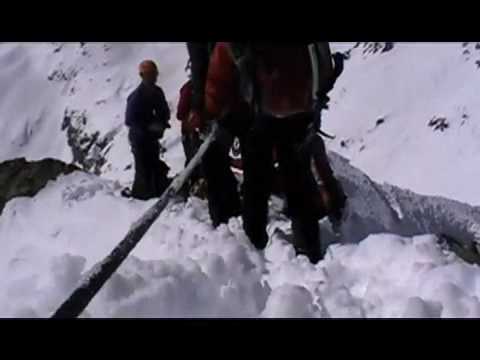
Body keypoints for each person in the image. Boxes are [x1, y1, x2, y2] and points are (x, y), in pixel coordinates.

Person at [204, 42, 346, 264]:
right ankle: (308, 251)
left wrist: (216, 113)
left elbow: (218, 80)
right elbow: (323, 66)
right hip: (300, 115)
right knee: (299, 183)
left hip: (258, 120)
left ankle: (253, 251)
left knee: (256, 186)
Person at [184, 42, 251, 227]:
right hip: (254, 102)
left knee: (212, 160)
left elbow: (200, 69)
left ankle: (225, 220)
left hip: (223, 106)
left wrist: (200, 108)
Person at [124, 60, 171, 200]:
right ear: (142, 75)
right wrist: (150, 126)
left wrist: (160, 123)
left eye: (154, 74)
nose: (153, 77)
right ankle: (142, 195)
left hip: (150, 136)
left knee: (152, 162)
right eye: (150, 74)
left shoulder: (156, 92)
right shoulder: (136, 97)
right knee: (143, 166)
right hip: (139, 137)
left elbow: (164, 111)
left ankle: (153, 191)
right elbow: (130, 120)